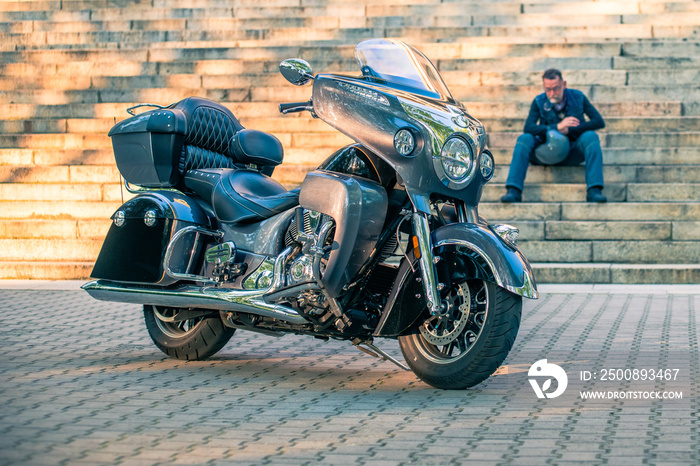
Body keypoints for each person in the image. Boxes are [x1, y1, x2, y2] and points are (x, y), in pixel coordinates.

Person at [501, 69, 607, 203]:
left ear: (564, 84)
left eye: (556, 88)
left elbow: (598, 121)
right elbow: (528, 127)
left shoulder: (578, 97)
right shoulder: (539, 101)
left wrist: (570, 130)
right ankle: (513, 190)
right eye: (548, 89)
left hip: (572, 151)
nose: (552, 93)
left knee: (591, 136)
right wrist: (556, 127)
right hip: (545, 153)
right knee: (524, 139)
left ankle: (594, 190)